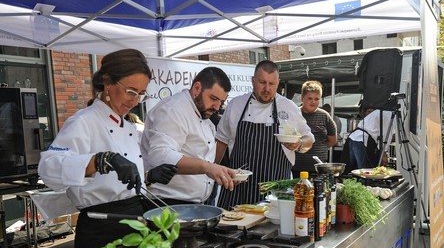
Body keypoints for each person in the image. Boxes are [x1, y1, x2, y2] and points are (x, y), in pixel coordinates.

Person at [39, 48, 177, 248]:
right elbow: (49, 168)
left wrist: (148, 177)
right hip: (101, 228)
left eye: (141, 94)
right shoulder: (84, 121)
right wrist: (100, 160)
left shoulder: (128, 126)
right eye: (131, 91)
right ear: (108, 82)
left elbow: (116, 185)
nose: (135, 100)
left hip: (131, 222)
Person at [214, 60, 314, 207]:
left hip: (275, 191)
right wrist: (212, 171)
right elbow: (221, 141)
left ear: (278, 83)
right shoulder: (236, 105)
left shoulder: (288, 107)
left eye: (271, 84)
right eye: (262, 82)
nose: (267, 88)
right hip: (237, 190)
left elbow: (309, 138)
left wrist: (299, 144)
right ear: (253, 81)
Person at [141, 67, 238, 205]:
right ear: (197, 88)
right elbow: (160, 155)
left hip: (195, 204)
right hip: (167, 203)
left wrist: (222, 173)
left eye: (221, 102)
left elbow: (200, 155)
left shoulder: (202, 113)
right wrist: (208, 168)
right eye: (213, 98)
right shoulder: (174, 110)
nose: (217, 107)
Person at [291, 80, 337, 177]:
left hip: (318, 169)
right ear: (302, 98)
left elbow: (332, 141)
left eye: (316, 99)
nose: (313, 102)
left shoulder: (325, 116)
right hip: (296, 168)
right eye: (310, 98)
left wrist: (318, 148)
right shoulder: (293, 114)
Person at [345, 106, 394, 170]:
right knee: (365, 171)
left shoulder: (380, 112)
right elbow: (386, 136)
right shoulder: (390, 115)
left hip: (354, 137)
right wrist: (384, 153)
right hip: (362, 140)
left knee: (352, 168)